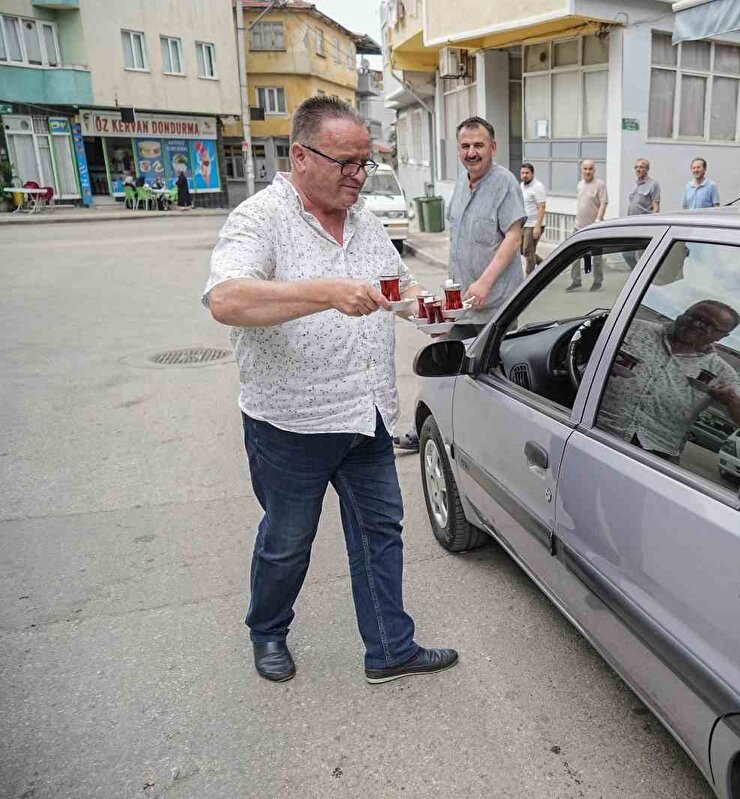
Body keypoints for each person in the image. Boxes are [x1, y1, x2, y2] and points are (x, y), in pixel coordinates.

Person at [202, 95, 456, 685]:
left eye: (365, 163)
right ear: (301, 156)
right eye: (347, 163)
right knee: (288, 542)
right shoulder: (260, 219)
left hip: (367, 416)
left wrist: (438, 309)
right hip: (291, 424)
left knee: (380, 534)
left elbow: (400, 290)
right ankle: (268, 631)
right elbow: (226, 300)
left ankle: (390, 649)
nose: (360, 176)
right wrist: (326, 291)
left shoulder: (366, 223)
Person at [393, 115, 525, 451]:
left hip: (496, 307)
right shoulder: (461, 185)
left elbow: (514, 237)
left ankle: (495, 442)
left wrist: (484, 282)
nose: (471, 152)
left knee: (490, 379)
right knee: (442, 366)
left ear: (493, 147)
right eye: (465, 146)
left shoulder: (505, 183)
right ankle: (428, 428)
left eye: (478, 145)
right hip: (461, 306)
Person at [596, 301, 740, 463]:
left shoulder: (721, 372)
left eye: (707, 324)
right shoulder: (632, 329)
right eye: (694, 316)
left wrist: (731, 400)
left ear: (721, 336)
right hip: (595, 426)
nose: (696, 324)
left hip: (654, 452)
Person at [567, 159, 609, 292]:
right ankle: (576, 281)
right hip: (579, 226)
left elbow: (603, 203)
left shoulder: (600, 184)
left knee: (596, 257)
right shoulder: (580, 184)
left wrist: (598, 220)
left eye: (590, 169)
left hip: (595, 227)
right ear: (582, 170)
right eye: (585, 169)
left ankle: (597, 281)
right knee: (574, 254)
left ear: (594, 170)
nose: (587, 171)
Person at [518, 162, 547, 277]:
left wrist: (537, 226)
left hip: (534, 225)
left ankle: (528, 279)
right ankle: (545, 265)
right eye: (522, 173)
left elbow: (542, 207)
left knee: (528, 252)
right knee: (521, 250)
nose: (524, 175)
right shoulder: (521, 185)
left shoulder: (538, 187)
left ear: (532, 174)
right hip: (524, 224)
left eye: (527, 173)